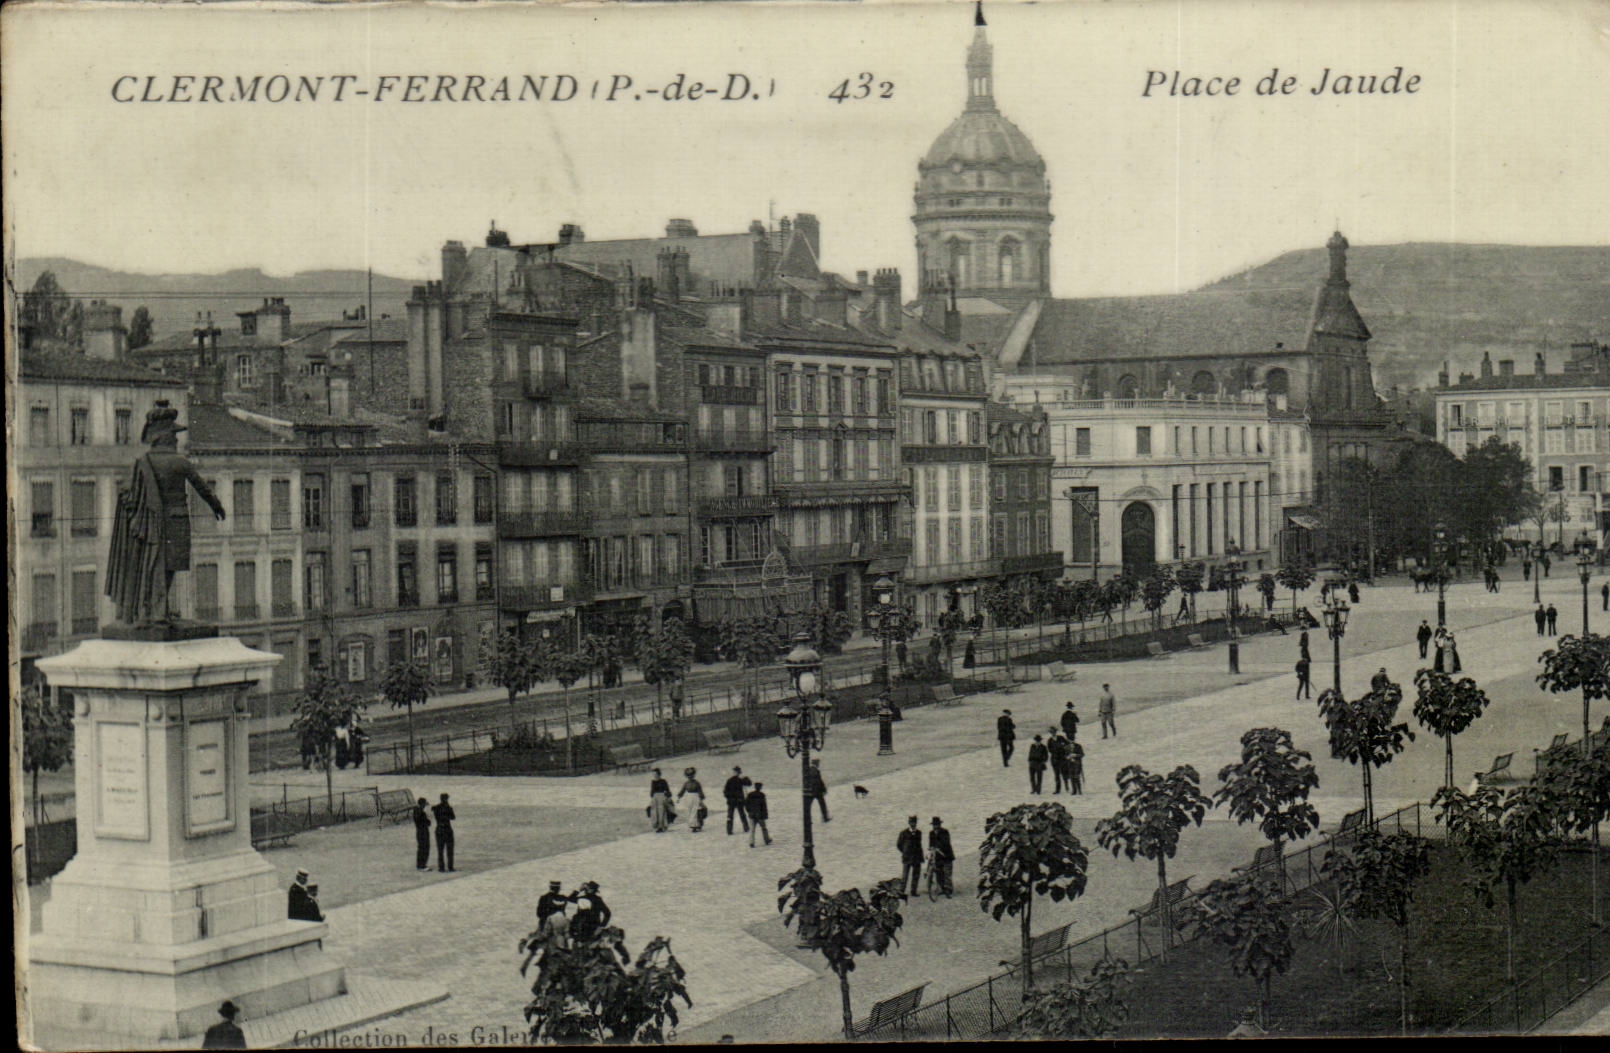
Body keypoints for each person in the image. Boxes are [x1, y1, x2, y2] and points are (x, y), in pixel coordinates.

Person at [105, 404, 227, 625]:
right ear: (164, 437)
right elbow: (202, 487)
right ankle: (158, 611)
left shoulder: (143, 463)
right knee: (168, 568)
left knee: (154, 566)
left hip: (152, 522)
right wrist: (217, 506)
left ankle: (156, 609)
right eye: (174, 434)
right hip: (176, 520)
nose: (177, 439)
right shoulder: (179, 462)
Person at [897, 816, 924, 897]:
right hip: (907, 857)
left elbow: (919, 845)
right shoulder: (903, 833)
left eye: (914, 822)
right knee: (905, 875)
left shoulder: (919, 833)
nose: (913, 824)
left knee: (916, 875)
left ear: (916, 823)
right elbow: (899, 845)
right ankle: (901, 891)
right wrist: (905, 852)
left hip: (917, 857)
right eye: (911, 822)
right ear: (909, 823)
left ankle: (913, 891)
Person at [928, 817, 955, 898]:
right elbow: (931, 844)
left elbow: (946, 842)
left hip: (947, 855)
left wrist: (939, 847)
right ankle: (942, 888)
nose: (935, 826)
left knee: (947, 872)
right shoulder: (931, 833)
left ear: (940, 824)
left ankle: (949, 889)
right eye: (934, 825)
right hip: (937, 857)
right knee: (939, 873)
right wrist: (931, 849)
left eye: (937, 824)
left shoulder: (945, 832)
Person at [723, 765, 752, 835]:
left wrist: (729, 797)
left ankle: (729, 830)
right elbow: (749, 783)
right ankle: (746, 828)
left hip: (732, 801)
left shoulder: (730, 780)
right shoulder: (740, 780)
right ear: (739, 772)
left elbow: (725, 791)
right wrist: (745, 777)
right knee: (742, 814)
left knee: (730, 815)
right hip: (739, 800)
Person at [677, 767, 707, 833]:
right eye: (689, 776)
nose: (690, 777)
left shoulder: (697, 783)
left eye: (691, 775)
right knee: (690, 811)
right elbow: (682, 790)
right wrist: (679, 797)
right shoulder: (686, 783)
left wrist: (701, 798)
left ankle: (696, 825)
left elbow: (700, 791)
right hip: (689, 798)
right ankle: (692, 825)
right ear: (687, 776)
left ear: (694, 775)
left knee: (696, 811)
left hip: (695, 797)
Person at [432, 793, 456, 872]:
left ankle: (441, 867)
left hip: (439, 830)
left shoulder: (436, 808)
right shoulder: (448, 808)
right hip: (447, 830)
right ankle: (450, 867)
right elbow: (453, 817)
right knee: (449, 850)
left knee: (440, 850)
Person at [745, 781, 771, 846]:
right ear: (760, 788)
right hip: (760, 815)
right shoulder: (762, 795)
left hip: (752, 815)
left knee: (752, 830)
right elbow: (764, 806)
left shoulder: (750, 794)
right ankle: (767, 840)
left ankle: (751, 842)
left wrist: (749, 811)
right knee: (764, 828)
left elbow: (746, 804)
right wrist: (765, 815)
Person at [412, 796, 432, 870]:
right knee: (425, 848)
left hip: (419, 832)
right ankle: (422, 865)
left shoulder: (416, 811)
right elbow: (428, 823)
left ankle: (419, 864)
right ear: (423, 804)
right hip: (424, 832)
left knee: (420, 848)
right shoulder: (422, 813)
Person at [1047, 730, 1068, 794]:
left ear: (1056, 732)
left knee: (1064, 773)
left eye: (1054, 732)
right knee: (1057, 775)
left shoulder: (1061, 738)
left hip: (1062, 759)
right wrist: (1058, 749)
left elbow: (1067, 745)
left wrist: (1062, 750)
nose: (1053, 733)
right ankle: (1057, 789)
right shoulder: (1050, 740)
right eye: (1051, 732)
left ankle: (1067, 787)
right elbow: (1050, 750)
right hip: (1055, 760)